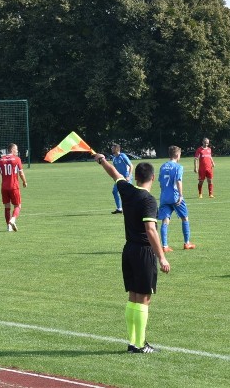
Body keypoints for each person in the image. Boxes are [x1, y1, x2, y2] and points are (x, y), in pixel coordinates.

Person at [92, 152, 170, 354]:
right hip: (144, 252)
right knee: (144, 298)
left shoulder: (126, 190)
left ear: (135, 177)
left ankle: (133, 343)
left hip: (128, 250)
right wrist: (161, 256)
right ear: (153, 178)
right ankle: (140, 344)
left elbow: (114, 173)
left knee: (133, 297)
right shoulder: (149, 200)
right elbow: (151, 230)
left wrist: (102, 160)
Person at [159, 146, 195, 252]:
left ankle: (165, 246)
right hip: (175, 197)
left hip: (164, 197)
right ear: (177, 155)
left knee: (165, 220)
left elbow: (161, 182)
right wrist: (181, 195)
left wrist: (164, 193)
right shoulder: (178, 167)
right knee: (185, 218)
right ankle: (187, 243)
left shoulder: (163, 166)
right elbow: (179, 181)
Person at [0, 143, 27, 231]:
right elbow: (21, 173)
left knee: (7, 207)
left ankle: (8, 226)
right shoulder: (17, 159)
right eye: (16, 149)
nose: (17, 151)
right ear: (12, 150)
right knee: (18, 205)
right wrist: (24, 181)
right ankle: (13, 220)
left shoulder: (0, 160)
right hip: (14, 187)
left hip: (4, 188)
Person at [110, 144, 133, 214]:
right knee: (114, 191)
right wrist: (115, 177)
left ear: (116, 149)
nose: (111, 149)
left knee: (128, 193)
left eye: (113, 148)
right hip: (119, 178)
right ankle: (119, 208)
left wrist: (128, 176)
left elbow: (131, 166)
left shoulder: (122, 156)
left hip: (126, 177)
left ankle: (131, 208)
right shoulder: (114, 158)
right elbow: (115, 169)